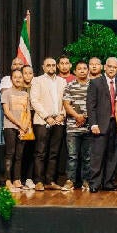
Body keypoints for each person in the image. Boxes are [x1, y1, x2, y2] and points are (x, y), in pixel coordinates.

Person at [30, 57, 67, 190]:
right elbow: (34, 100)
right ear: (43, 67)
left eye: (53, 65)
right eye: (48, 65)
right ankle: (39, 181)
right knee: (40, 152)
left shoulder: (62, 81)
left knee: (54, 152)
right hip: (42, 121)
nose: (51, 67)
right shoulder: (37, 80)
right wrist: (47, 117)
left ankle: (50, 181)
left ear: (56, 66)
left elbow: (66, 100)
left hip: (58, 121)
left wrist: (62, 114)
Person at [87, 57, 117, 192]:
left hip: (115, 124)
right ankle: (95, 184)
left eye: (114, 67)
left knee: (112, 155)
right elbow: (91, 105)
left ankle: (108, 183)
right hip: (100, 125)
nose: (112, 69)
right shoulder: (96, 82)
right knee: (97, 155)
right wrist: (93, 124)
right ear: (105, 67)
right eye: (110, 66)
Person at [62, 61, 92, 190]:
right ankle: (70, 181)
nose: (82, 71)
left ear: (88, 70)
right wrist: (77, 116)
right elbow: (66, 104)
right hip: (72, 127)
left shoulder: (93, 85)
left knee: (87, 156)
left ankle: (86, 181)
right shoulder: (69, 86)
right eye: (79, 68)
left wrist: (84, 117)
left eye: (84, 68)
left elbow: (95, 104)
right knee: (72, 156)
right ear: (75, 71)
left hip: (89, 126)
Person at [2, 67, 32, 191]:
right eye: (15, 77)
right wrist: (19, 124)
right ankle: (8, 180)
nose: (18, 79)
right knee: (10, 153)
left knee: (19, 155)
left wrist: (25, 126)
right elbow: (7, 112)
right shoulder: (6, 93)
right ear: (11, 79)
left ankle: (17, 179)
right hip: (10, 127)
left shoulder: (25, 94)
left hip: (23, 128)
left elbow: (28, 112)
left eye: (20, 77)